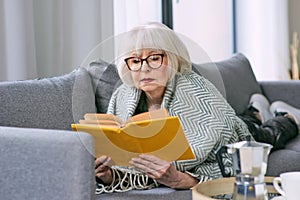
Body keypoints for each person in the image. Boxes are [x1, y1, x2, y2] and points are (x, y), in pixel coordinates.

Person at [94, 22, 252, 194]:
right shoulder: (121, 97)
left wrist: (182, 179)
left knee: (268, 130)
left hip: (241, 128)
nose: (144, 68)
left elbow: (232, 159)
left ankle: (274, 116)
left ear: (172, 59)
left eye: (154, 58)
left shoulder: (198, 92)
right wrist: (109, 175)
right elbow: (126, 168)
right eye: (135, 60)